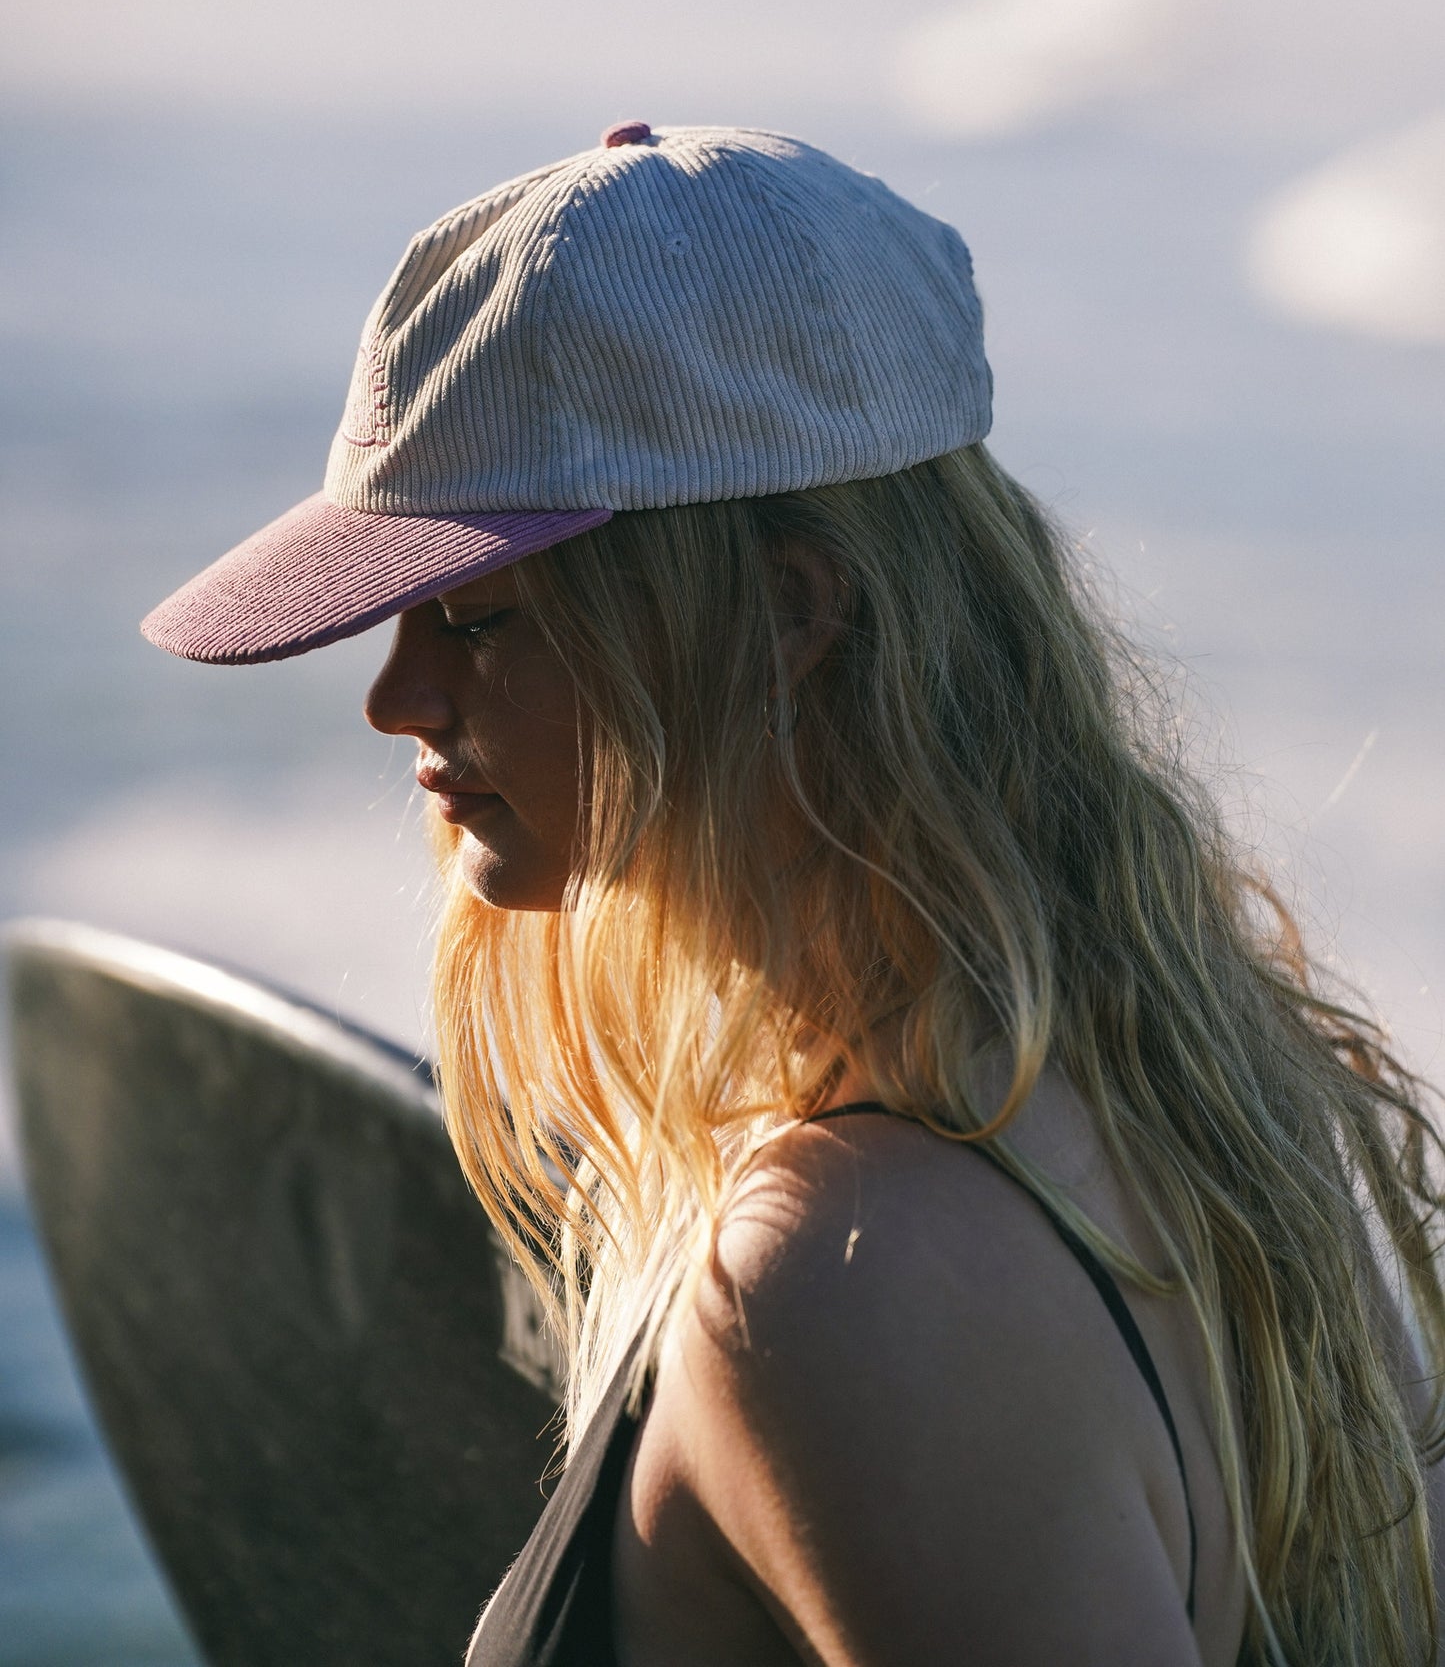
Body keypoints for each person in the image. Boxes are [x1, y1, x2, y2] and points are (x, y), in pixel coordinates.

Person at [143, 121, 1445, 1666]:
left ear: (785, 613)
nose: (396, 699)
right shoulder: (1205, 1095)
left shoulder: (844, 1288)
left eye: (477, 617)